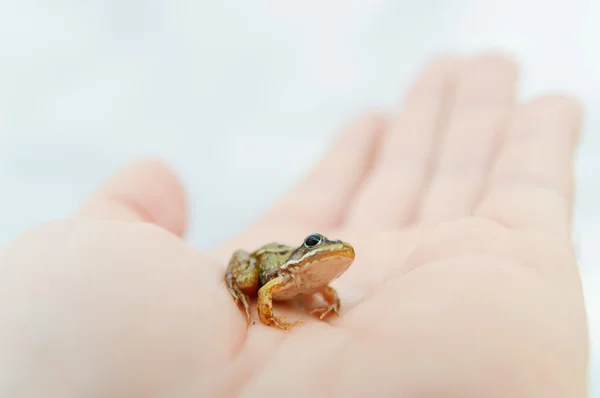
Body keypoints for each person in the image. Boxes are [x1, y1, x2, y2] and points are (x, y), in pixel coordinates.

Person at [0, 52, 588, 397]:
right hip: (264, 260)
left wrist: (329, 303)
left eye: (332, 256)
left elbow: (325, 290)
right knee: (247, 269)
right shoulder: (283, 273)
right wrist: (262, 308)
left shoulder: (323, 281)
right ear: (308, 253)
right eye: (321, 250)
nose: (329, 258)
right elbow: (273, 291)